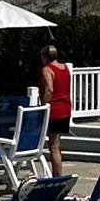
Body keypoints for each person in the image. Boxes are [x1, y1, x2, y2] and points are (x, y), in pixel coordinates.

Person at [38, 40, 74, 177]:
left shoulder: (47, 69)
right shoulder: (64, 67)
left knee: (53, 145)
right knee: (58, 144)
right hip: (65, 109)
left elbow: (49, 89)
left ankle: (56, 175)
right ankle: (58, 173)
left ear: (45, 57)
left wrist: (43, 104)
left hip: (54, 111)